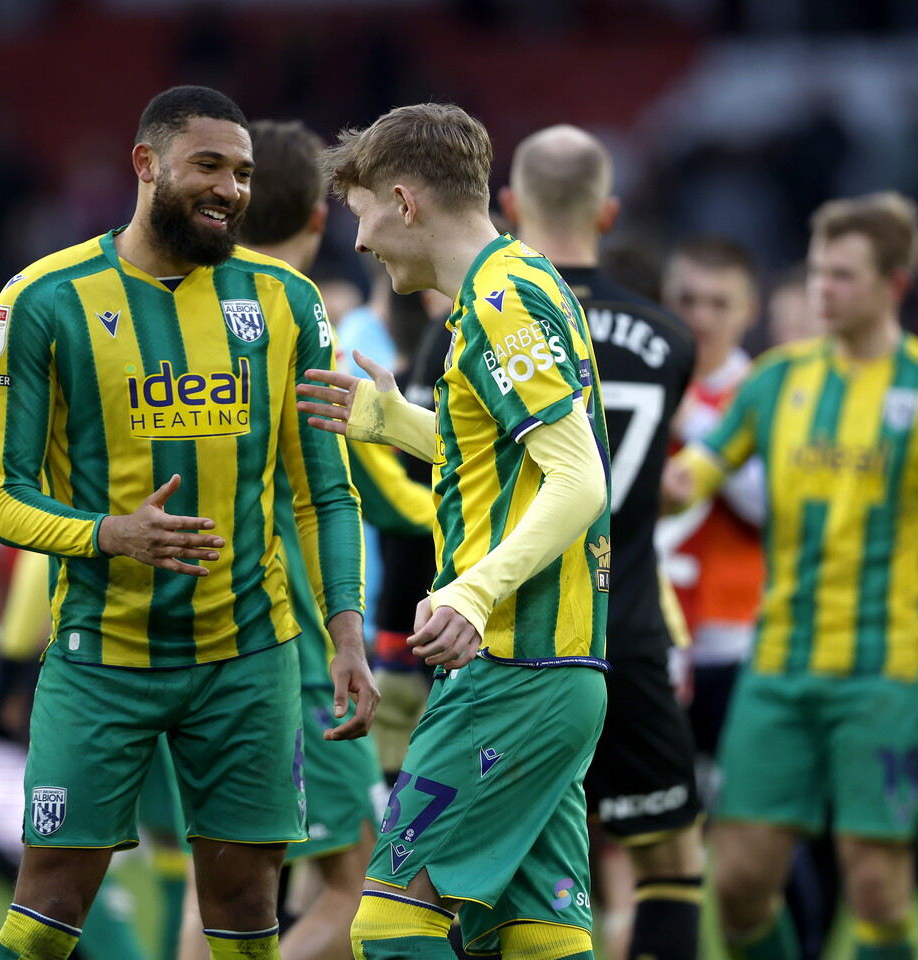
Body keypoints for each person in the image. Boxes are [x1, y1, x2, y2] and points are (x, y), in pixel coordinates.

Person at [0, 86, 375, 960]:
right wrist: (106, 533)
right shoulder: (41, 301)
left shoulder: (285, 301)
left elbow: (324, 491)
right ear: (145, 164)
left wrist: (345, 632)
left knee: (243, 906)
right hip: (102, 658)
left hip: (250, 659)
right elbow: (1, 499)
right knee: (48, 910)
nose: (231, 188)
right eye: (209, 166)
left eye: (241, 173)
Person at [296, 102, 612, 960]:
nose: (357, 243)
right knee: (537, 938)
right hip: (557, 667)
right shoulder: (518, 284)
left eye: (360, 213)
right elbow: (511, 462)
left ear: (402, 201)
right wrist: (397, 422)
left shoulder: (503, 301)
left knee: (392, 925)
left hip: (513, 665)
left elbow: (581, 477)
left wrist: (474, 591)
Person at [663, 192, 918, 960]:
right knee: (740, 887)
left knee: (879, 888)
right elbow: (689, 482)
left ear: (894, 284)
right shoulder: (776, 382)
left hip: (882, 677)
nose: (822, 290)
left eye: (842, 276)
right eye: (818, 272)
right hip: (777, 670)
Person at [173, 117, 394, 960]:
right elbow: (346, 492)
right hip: (293, 641)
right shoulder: (299, 324)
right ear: (318, 221)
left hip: (193, 636)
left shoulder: (183, 310)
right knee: (364, 884)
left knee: (230, 875)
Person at [500, 124, 703, 960]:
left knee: (501, 866)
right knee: (669, 862)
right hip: (631, 630)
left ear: (509, 208)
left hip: (517, 634)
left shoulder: (489, 325)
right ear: (609, 212)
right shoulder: (671, 340)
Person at [657, 237, 766, 772]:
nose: (701, 316)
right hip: (649, 626)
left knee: (739, 816)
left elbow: (766, 502)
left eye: (719, 303)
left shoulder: (766, 390)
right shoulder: (643, 378)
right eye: (687, 299)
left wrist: (694, 423)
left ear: (749, 311)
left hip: (732, 634)